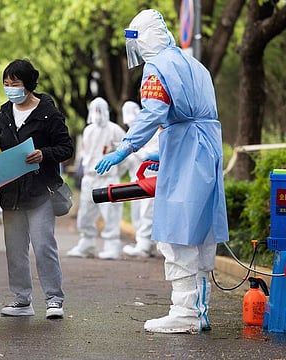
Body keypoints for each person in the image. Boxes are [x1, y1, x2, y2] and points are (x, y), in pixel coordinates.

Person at [95, 9, 229, 334]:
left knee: (177, 232)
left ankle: (184, 312)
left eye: (138, 42)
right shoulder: (194, 65)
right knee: (199, 231)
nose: (138, 51)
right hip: (204, 149)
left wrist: (124, 148)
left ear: (147, 37)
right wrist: (162, 152)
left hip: (186, 151)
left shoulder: (157, 68)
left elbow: (153, 112)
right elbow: (194, 115)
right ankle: (200, 310)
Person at [0, 59, 73, 319]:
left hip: (40, 192)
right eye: (6, 84)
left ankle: (54, 299)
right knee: (15, 249)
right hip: (11, 192)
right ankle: (21, 299)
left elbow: (66, 147)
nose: (10, 88)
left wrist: (44, 154)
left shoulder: (47, 112)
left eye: (14, 84)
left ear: (28, 85)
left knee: (43, 245)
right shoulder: (4, 113)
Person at [66, 97, 126, 260]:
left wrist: (115, 173)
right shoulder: (88, 130)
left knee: (111, 213)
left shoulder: (115, 130)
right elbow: (84, 154)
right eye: (95, 110)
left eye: (100, 110)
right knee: (85, 213)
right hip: (89, 177)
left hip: (108, 178)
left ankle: (112, 245)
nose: (97, 114)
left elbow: (126, 154)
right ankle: (87, 243)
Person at [119, 101, 159, 258]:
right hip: (136, 178)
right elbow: (128, 161)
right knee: (137, 212)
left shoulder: (153, 131)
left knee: (147, 212)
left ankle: (144, 245)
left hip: (150, 178)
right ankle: (144, 243)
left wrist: (134, 152)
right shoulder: (130, 133)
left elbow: (153, 153)